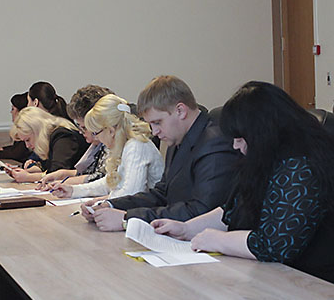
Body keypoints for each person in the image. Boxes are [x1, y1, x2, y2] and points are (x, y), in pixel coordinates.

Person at [152, 81, 334, 297]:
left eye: (240, 138)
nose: (235, 145)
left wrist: (218, 240)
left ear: (262, 133)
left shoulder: (301, 165)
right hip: (292, 278)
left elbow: (273, 246)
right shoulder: (265, 158)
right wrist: (186, 229)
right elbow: (233, 210)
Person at [83, 75, 239, 231]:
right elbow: (162, 193)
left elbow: (201, 211)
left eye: (157, 122)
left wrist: (128, 218)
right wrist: (111, 205)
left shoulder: (214, 144)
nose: (154, 131)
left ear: (180, 111)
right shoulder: (177, 139)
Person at [51, 94, 164, 200]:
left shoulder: (136, 146)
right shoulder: (126, 145)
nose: (96, 138)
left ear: (111, 131)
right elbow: (110, 182)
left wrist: (105, 202)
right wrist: (74, 191)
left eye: (96, 133)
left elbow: (131, 193)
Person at [39, 84, 113, 188]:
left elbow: (102, 178)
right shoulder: (98, 145)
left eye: (84, 128)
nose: (81, 132)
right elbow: (90, 173)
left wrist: (66, 183)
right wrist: (63, 174)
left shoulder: (112, 143)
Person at [6, 106, 87, 183]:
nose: (27, 146)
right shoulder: (52, 136)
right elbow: (48, 167)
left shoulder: (63, 136)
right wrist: (29, 171)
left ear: (37, 131)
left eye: (28, 140)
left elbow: (56, 173)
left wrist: (28, 177)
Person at [0, 92, 32, 161]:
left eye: (12, 109)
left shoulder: (28, 128)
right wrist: (2, 149)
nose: (11, 112)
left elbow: (17, 153)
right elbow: (16, 148)